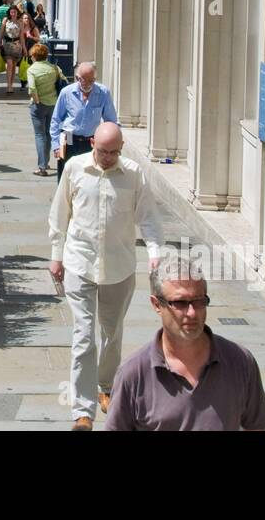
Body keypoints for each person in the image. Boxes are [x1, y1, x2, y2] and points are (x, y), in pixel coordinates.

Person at [49, 122, 163, 430]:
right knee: (84, 336)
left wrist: (155, 254)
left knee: (112, 334)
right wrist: (56, 256)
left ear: (122, 148)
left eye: (114, 152)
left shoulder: (134, 174)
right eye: (102, 151)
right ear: (91, 143)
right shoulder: (74, 168)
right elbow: (60, 214)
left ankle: (107, 386)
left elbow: (149, 219)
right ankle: (82, 411)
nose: (108, 157)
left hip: (119, 267)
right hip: (79, 263)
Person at [106, 251, 265, 431]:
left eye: (199, 301)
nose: (192, 313)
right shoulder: (134, 374)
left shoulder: (240, 362)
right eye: (180, 303)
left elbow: (256, 426)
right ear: (157, 305)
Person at [50, 62, 117, 183]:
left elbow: (111, 121)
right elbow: (56, 119)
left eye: (91, 80)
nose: (88, 84)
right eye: (84, 80)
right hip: (69, 139)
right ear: (77, 78)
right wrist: (56, 146)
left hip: (91, 141)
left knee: (89, 177)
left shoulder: (103, 93)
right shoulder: (66, 92)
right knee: (66, 176)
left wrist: (112, 143)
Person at [26, 43, 64, 176]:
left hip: (38, 105)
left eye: (31, 56)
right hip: (53, 104)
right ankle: (46, 162)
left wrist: (36, 101)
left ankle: (42, 167)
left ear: (34, 56)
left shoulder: (32, 70)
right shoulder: (54, 68)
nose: (31, 58)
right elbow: (64, 82)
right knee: (49, 133)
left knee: (39, 135)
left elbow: (32, 88)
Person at [0, 5, 27, 94]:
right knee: (9, 63)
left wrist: (24, 48)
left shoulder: (20, 22)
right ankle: (9, 85)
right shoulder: (5, 20)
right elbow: (1, 33)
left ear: (17, 12)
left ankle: (11, 84)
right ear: (9, 13)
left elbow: (21, 36)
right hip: (7, 45)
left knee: (13, 66)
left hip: (17, 45)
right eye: (11, 12)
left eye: (15, 12)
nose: (13, 14)